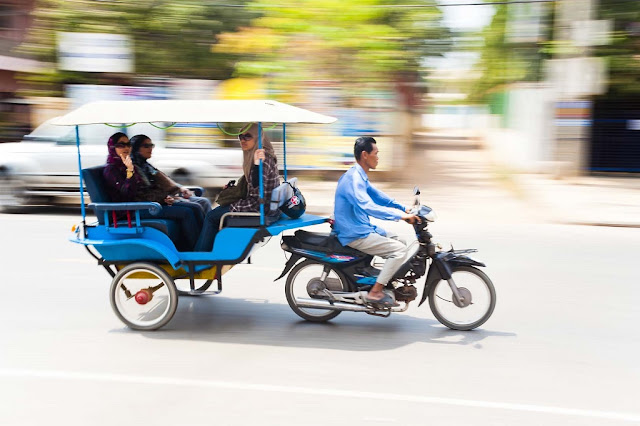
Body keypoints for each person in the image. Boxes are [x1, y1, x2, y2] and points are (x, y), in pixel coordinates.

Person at [333, 136, 419, 307]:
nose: (378, 157)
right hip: (354, 233)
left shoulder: (359, 175)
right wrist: (400, 217)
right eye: (376, 153)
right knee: (399, 251)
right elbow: (368, 206)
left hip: (362, 226)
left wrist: (403, 208)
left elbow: (377, 196)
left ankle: (381, 279)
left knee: (400, 241)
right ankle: (375, 291)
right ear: (365, 155)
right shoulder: (354, 179)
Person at [102, 132, 199, 252]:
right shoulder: (111, 169)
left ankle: (203, 244)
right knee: (187, 212)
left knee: (194, 207)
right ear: (112, 147)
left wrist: (163, 197)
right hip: (130, 210)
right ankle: (196, 249)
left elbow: (146, 189)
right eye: (121, 145)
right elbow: (127, 194)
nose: (126, 148)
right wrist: (130, 171)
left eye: (128, 144)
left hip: (144, 204)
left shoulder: (130, 165)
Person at [194, 123, 280, 252]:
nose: (243, 140)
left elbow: (257, 186)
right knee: (214, 211)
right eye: (240, 136)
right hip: (259, 203)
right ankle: (208, 248)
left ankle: (200, 255)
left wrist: (257, 165)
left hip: (257, 206)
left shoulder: (262, 159)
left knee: (211, 216)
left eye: (247, 136)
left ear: (258, 138)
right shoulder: (256, 155)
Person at [129, 134, 211, 229]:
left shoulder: (146, 166)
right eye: (146, 146)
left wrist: (179, 188)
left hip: (160, 199)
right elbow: (142, 193)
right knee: (194, 208)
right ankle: (202, 239)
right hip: (147, 205)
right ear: (135, 148)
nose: (150, 148)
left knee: (204, 202)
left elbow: (164, 180)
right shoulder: (132, 169)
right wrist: (165, 197)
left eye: (151, 145)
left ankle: (209, 234)